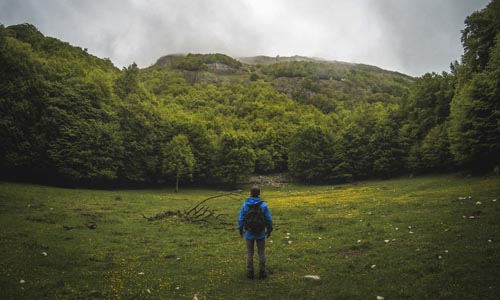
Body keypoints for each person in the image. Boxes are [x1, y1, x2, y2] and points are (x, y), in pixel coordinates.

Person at [237, 186, 273, 279]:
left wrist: (240, 229)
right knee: (261, 253)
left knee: (249, 253)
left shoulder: (245, 204)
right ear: (259, 194)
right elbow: (268, 219)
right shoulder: (263, 205)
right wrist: (269, 229)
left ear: (250, 193)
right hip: (260, 233)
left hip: (249, 233)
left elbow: (241, 218)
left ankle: (250, 272)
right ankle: (262, 272)